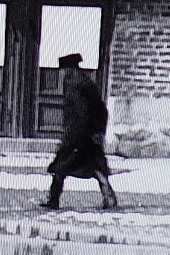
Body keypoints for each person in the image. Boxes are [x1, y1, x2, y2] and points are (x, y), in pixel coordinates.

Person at [41, 53, 118, 210]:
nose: (61, 73)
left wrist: (76, 135)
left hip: (79, 134)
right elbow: (101, 109)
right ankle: (109, 197)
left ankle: (54, 200)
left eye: (62, 70)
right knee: (94, 166)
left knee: (62, 166)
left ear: (68, 69)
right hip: (87, 133)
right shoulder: (83, 81)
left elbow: (82, 112)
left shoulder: (74, 84)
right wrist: (98, 131)